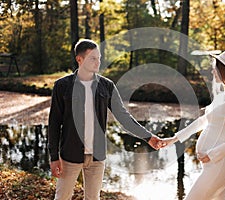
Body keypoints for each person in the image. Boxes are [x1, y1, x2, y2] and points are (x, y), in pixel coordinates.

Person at [48, 39, 162, 200]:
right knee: (62, 197)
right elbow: (54, 124)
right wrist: (54, 157)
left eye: (99, 58)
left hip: (97, 157)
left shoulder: (106, 86)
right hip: (70, 155)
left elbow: (123, 116)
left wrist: (148, 137)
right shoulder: (62, 86)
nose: (98, 62)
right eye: (92, 58)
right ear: (79, 59)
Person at [162, 49, 225, 199]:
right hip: (212, 164)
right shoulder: (222, 96)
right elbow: (203, 121)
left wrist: (211, 154)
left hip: (219, 164)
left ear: (224, 71)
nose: (212, 70)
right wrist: (173, 139)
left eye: (215, 66)